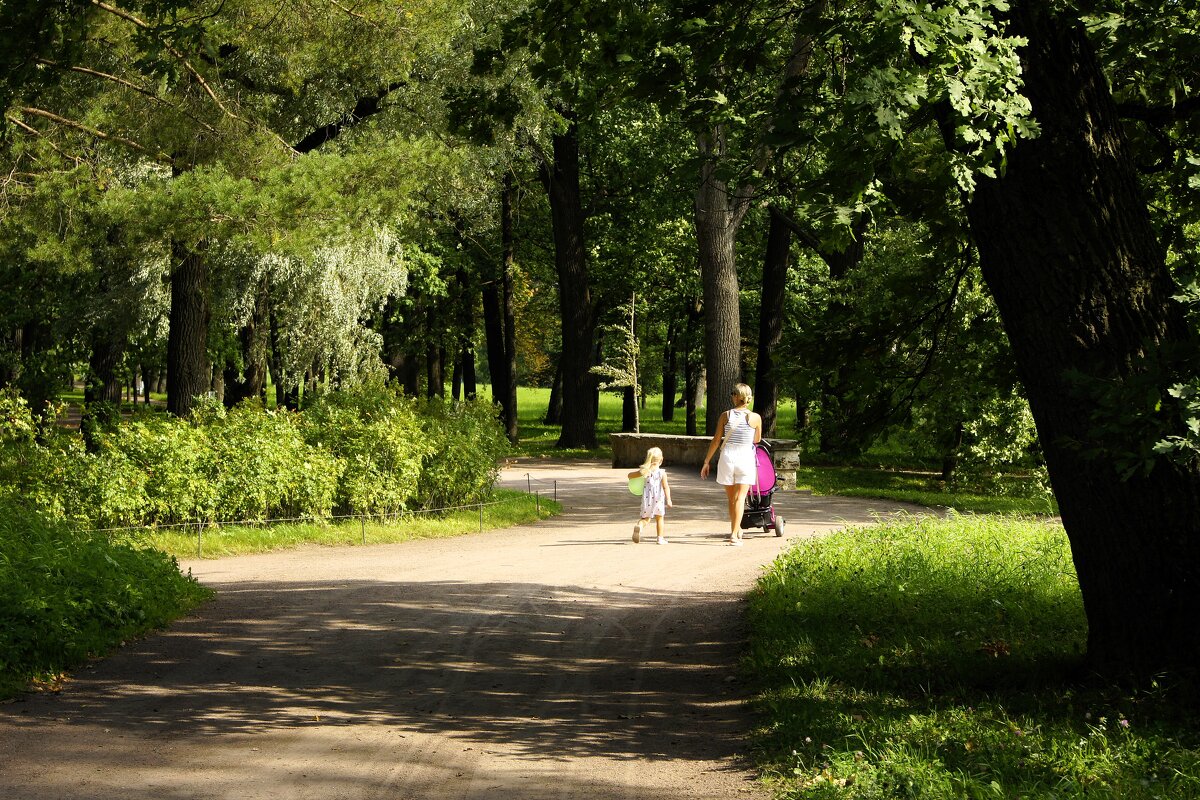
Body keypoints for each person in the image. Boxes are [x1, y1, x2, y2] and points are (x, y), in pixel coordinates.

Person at [699, 383, 763, 546]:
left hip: (728, 457)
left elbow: (716, 440)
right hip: (745, 457)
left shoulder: (725, 416)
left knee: (731, 499)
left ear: (736, 396)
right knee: (740, 498)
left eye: (732, 394)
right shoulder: (755, 417)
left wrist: (707, 461)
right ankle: (735, 534)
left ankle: (736, 530)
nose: (731, 397)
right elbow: (757, 440)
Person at [629, 446, 673, 544]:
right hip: (659, 499)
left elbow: (630, 476)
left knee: (646, 519)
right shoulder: (662, 473)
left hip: (647, 500)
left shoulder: (644, 472)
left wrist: (637, 473)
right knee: (660, 518)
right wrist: (669, 499)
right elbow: (666, 487)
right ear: (661, 460)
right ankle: (660, 539)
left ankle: (639, 526)